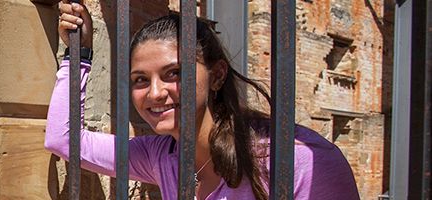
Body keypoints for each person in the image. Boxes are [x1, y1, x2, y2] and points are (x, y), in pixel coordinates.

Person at [43, 1, 360, 199]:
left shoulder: (296, 162)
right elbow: (64, 140)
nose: (155, 93)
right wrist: (78, 56)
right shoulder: (163, 157)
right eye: (141, 79)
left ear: (218, 75)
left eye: (174, 73)